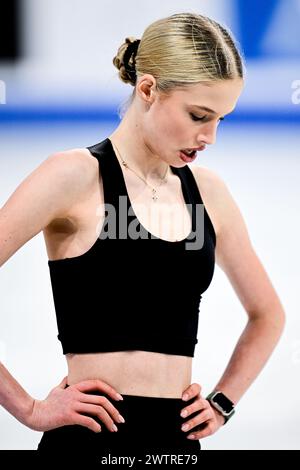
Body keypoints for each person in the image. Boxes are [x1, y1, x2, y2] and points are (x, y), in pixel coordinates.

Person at [0, 12, 285, 459]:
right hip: (89, 441)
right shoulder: (73, 175)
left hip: (176, 446)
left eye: (221, 120)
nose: (209, 136)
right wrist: (29, 409)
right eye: (199, 115)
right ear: (148, 89)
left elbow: (268, 314)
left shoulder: (208, 193)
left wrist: (223, 404)